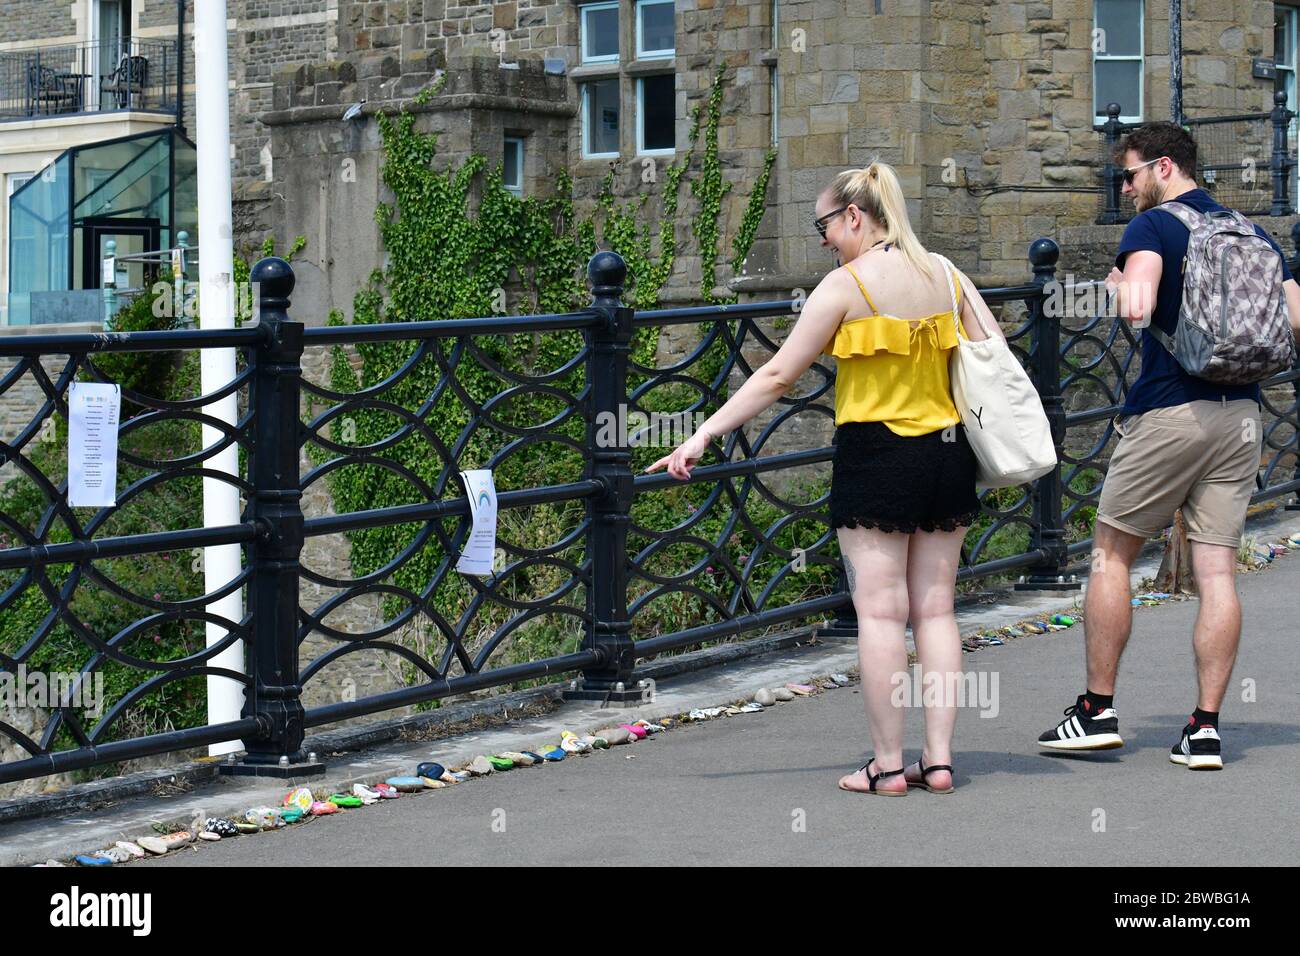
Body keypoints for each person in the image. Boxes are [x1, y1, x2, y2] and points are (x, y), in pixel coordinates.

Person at [646, 160, 1004, 795]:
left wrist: (704, 432)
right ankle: (941, 761)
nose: (823, 240)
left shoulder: (846, 287)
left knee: (880, 614)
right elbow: (993, 355)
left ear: (855, 217)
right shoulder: (947, 274)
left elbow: (778, 376)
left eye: (824, 226)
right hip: (948, 453)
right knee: (937, 610)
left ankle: (889, 766)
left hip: (876, 455)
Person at [1037, 122, 1300, 770]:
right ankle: (1205, 729)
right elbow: (1294, 316)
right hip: (1240, 413)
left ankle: (1096, 712)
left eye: (1127, 175)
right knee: (1218, 573)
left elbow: (1138, 305)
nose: (1123, 189)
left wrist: (1117, 282)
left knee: (1110, 555)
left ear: (1161, 167)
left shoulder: (1153, 229)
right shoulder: (1251, 231)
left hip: (1169, 411)